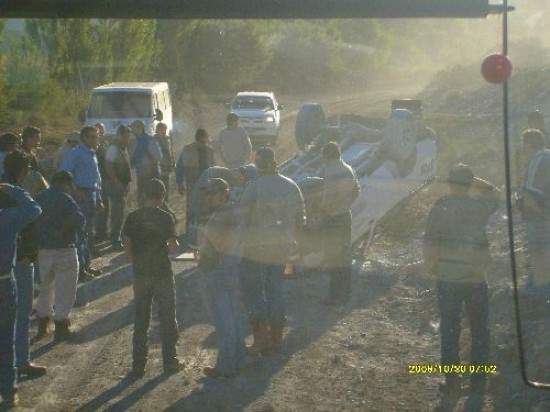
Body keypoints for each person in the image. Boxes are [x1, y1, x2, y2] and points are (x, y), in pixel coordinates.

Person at [423, 164, 499, 412]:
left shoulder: (440, 207)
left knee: (450, 330)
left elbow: (431, 243)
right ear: (468, 184)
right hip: (476, 277)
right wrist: (473, 179)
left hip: (447, 278)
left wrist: (431, 266)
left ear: (449, 184)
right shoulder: (478, 207)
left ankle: (452, 382)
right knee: (479, 331)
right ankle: (478, 382)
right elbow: (495, 192)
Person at [238, 147, 305, 355]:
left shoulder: (253, 187)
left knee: (255, 292)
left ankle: (260, 340)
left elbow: (242, 221)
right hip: (282, 247)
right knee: (276, 289)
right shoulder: (292, 186)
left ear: (258, 166)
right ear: (275, 163)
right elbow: (300, 220)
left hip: (256, 249)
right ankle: (276, 339)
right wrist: (295, 244)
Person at [122, 178, 184, 379]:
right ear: (162, 196)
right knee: (167, 317)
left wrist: (134, 263)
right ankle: (170, 361)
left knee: (141, 319)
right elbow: (173, 247)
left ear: (144, 195)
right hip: (162, 273)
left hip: (141, 273)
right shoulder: (165, 217)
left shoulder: (133, 217)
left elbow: (127, 244)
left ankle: (138, 366)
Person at [2, 151, 47, 379]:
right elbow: (30, 219)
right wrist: (27, 254)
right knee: (19, 316)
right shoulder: (14, 194)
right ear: (23, 171)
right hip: (18, 262)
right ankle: (20, 362)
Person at [198, 178, 248, 377]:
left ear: (225, 192)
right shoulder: (232, 210)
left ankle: (226, 366)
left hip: (219, 269)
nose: (209, 196)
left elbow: (220, 245)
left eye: (214, 192)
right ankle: (238, 360)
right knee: (233, 318)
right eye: (208, 192)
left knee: (223, 320)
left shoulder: (225, 213)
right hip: (230, 267)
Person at [0, 183, 42, 409]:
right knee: (6, 339)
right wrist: (14, 190)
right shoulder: (7, 218)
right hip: (4, 282)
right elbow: (34, 208)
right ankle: (8, 391)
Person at [35, 171, 85, 341]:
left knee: (45, 288)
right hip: (64, 249)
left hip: (42, 250)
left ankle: (43, 323)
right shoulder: (66, 199)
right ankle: (61, 325)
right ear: (65, 183)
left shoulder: (39, 198)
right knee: (65, 289)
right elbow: (79, 221)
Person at [59, 125, 103, 281]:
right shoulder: (76, 153)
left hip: (91, 195)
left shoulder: (92, 154)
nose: (95, 139)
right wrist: (75, 190)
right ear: (84, 138)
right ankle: (80, 270)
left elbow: (96, 179)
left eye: (96, 136)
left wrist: (99, 199)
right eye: (92, 136)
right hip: (80, 197)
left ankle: (86, 265)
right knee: (79, 233)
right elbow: (64, 173)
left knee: (87, 233)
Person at [319, 142, 360, 306]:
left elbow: (328, 196)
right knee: (344, 256)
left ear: (327, 155)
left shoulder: (330, 170)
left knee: (333, 258)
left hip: (333, 218)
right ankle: (345, 294)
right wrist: (347, 203)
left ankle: (334, 296)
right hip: (345, 216)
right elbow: (357, 190)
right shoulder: (348, 169)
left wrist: (323, 211)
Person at [518, 129, 550, 286]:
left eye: (523, 143)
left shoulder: (538, 160)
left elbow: (530, 196)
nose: (521, 148)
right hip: (543, 216)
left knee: (538, 255)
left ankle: (538, 291)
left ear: (529, 144)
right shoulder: (546, 156)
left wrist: (543, 216)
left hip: (539, 219)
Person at [175, 128, 215, 238]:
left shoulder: (210, 151)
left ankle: (205, 235)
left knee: (206, 209)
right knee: (192, 209)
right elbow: (180, 167)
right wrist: (179, 183)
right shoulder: (187, 149)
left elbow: (214, 168)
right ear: (197, 140)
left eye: (206, 141)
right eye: (202, 141)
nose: (205, 144)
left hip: (207, 184)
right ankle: (190, 235)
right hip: (192, 183)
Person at [104, 124, 132, 251]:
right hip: (116, 185)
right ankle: (115, 240)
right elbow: (108, 165)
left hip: (123, 184)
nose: (127, 138)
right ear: (120, 135)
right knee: (117, 213)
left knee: (120, 213)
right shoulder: (114, 148)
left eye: (128, 135)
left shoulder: (123, 147)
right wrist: (116, 182)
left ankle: (117, 237)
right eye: (125, 135)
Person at [130, 120, 162, 206]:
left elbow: (158, 157)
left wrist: (148, 169)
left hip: (151, 175)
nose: (132, 130)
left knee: (152, 200)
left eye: (133, 128)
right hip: (142, 175)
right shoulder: (137, 140)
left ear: (140, 128)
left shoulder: (149, 139)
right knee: (143, 200)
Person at [94, 123, 111, 242]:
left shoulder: (105, 145)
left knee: (105, 207)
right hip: (97, 181)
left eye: (101, 132)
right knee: (99, 207)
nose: (99, 134)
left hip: (105, 179)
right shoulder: (94, 148)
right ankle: (99, 233)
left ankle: (103, 232)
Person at [155, 122, 176, 199]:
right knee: (158, 188)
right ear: (157, 130)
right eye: (162, 129)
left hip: (167, 167)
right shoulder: (153, 140)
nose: (164, 131)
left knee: (166, 188)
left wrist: (173, 163)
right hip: (158, 168)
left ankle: (165, 203)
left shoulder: (167, 140)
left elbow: (170, 152)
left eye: (165, 129)